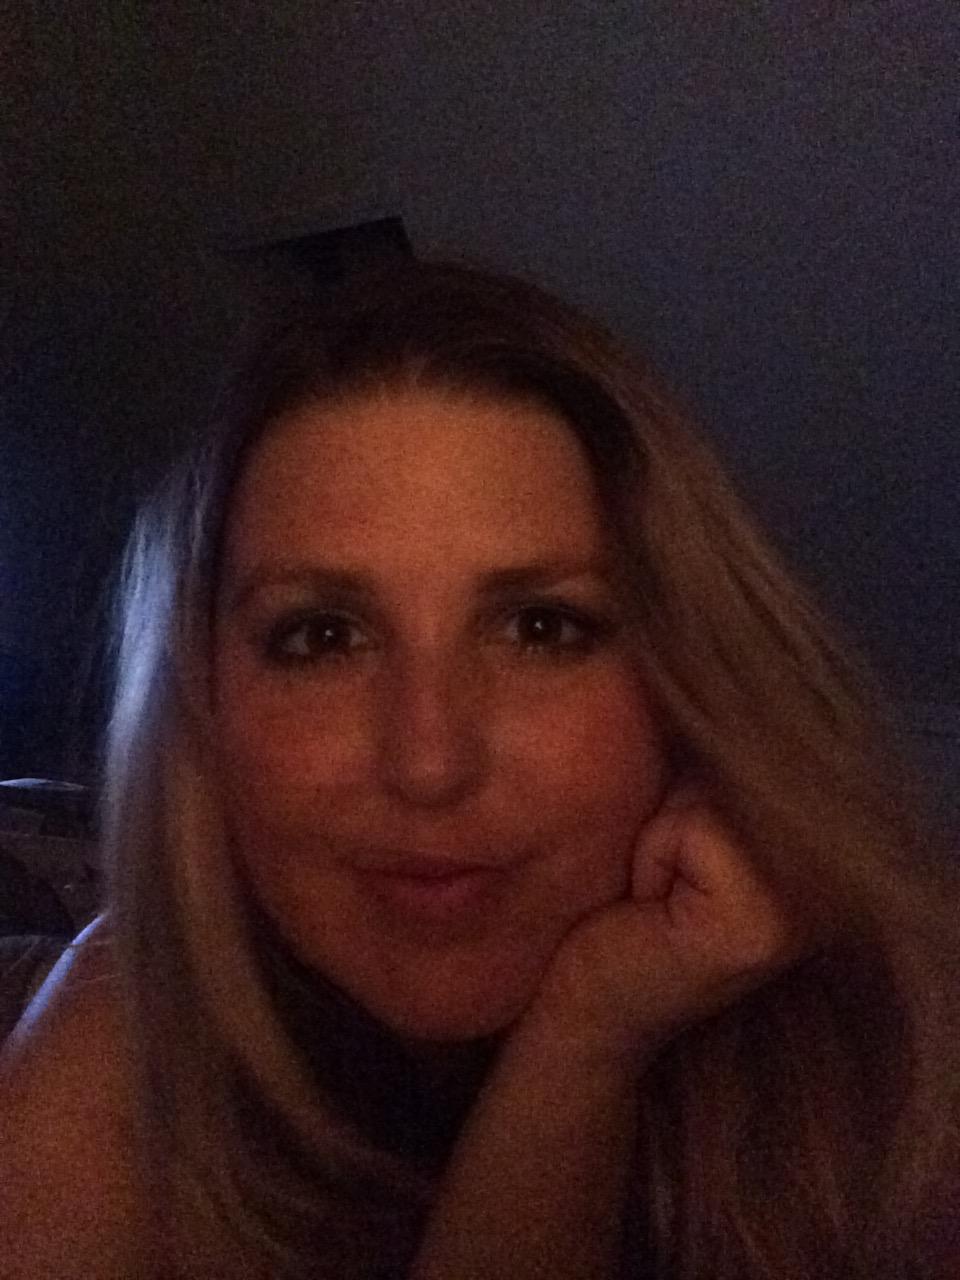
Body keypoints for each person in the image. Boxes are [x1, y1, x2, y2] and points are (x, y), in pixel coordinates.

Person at [1, 260, 957, 1280]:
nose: (430, 762)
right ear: (202, 706)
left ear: (689, 671)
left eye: (541, 627)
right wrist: (584, 1045)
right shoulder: (120, 1048)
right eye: (322, 635)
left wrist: (590, 1029)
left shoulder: (904, 1058)